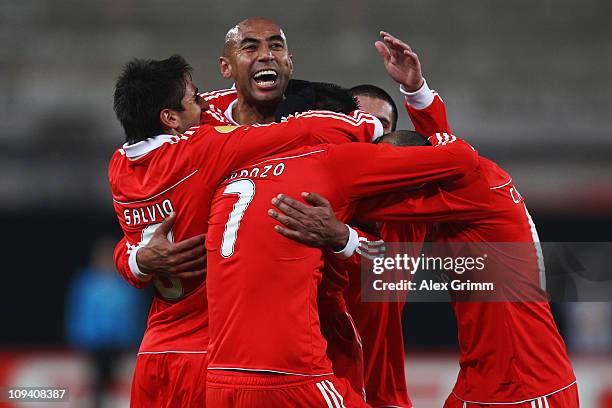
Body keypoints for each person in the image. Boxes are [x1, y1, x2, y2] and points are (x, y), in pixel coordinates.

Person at [270, 32, 579, 408]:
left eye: (375, 135)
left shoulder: (447, 191)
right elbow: (441, 146)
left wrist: (337, 231)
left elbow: (372, 227)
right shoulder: (458, 181)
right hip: (481, 378)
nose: (363, 154)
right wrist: (417, 90)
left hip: (522, 385)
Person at [109, 54, 383, 407]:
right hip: (212, 354)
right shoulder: (200, 151)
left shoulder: (119, 166)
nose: (206, 104)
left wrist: (136, 262)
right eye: (195, 99)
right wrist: (369, 125)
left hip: (154, 354)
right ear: (171, 118)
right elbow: (301, 131)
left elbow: (134, 245)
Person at [204, 117, 482, 407]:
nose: (374, 156)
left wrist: (343, 236)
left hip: (362, 383)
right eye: (371, 144)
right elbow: (459, 157)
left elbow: (389, 267)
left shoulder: (402, 207)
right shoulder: (324, 184)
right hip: (297, 372)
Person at [65, 237, 147, 408]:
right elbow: (79, 311)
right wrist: (79, 338)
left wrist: (133, 339)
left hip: (120, 343)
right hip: (93, 343)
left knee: (117, 385)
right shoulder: (86, 282)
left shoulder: (125, 282)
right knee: (93, 385)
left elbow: (133, 313)